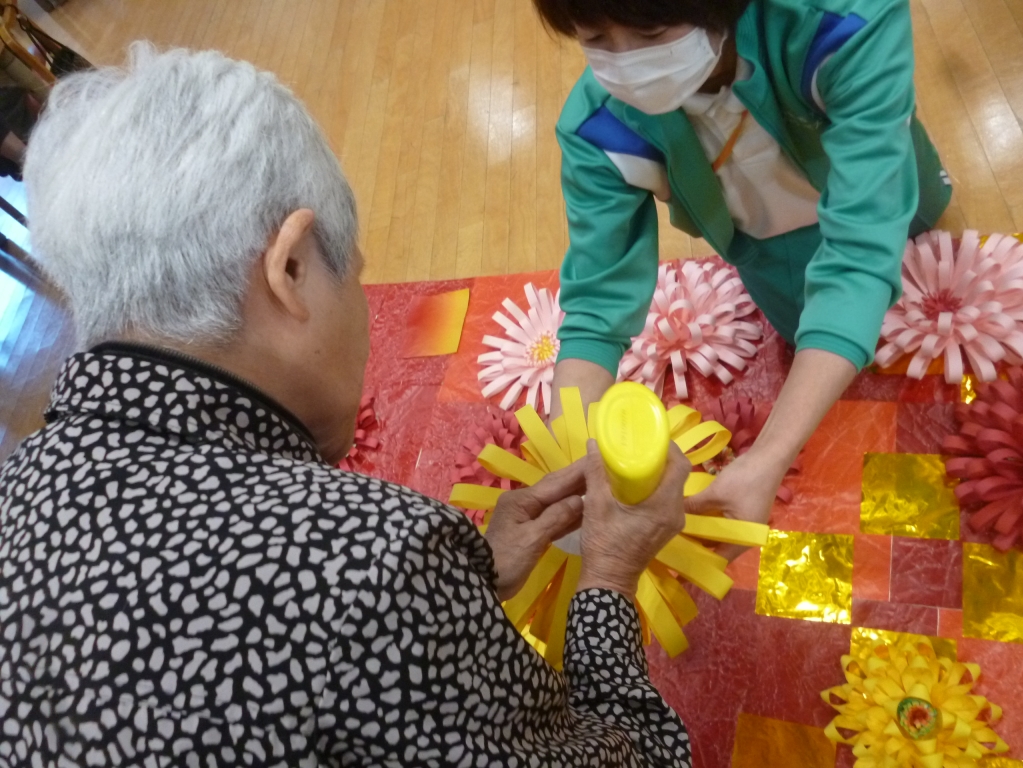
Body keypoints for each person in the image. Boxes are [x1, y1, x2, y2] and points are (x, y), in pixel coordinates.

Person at [0, 45, 698, 767]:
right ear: (292, 268)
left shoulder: (17, 492)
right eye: (355, 277)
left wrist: (465, 586)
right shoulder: (369, 565)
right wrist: (609, 577)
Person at [537, 0, 951, 555]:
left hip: (888, 202)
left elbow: (862, 242)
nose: (626, 63)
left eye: (652, 30)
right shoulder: (599, 126)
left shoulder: (845, 25)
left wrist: (771, 455)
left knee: (948, 321)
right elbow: (597, 300)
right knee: (843, 354)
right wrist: (569, 459)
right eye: (595, 38)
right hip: (766, 248)